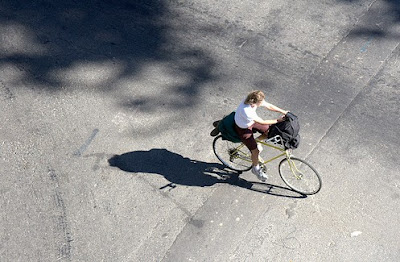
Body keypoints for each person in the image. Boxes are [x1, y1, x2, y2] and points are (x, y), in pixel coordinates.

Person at [234, 90, 288, 181]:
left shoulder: (251, 99)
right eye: (261, 102)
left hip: (251, 122)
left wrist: (283, 112)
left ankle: (257, 141)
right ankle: (255, 169)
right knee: (255, 151)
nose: (263, 103)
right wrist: (278, 120)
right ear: (254, 102)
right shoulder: (247, 110)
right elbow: (262, 122)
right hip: (243, 128)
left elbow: (268, 105)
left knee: (269, 131)